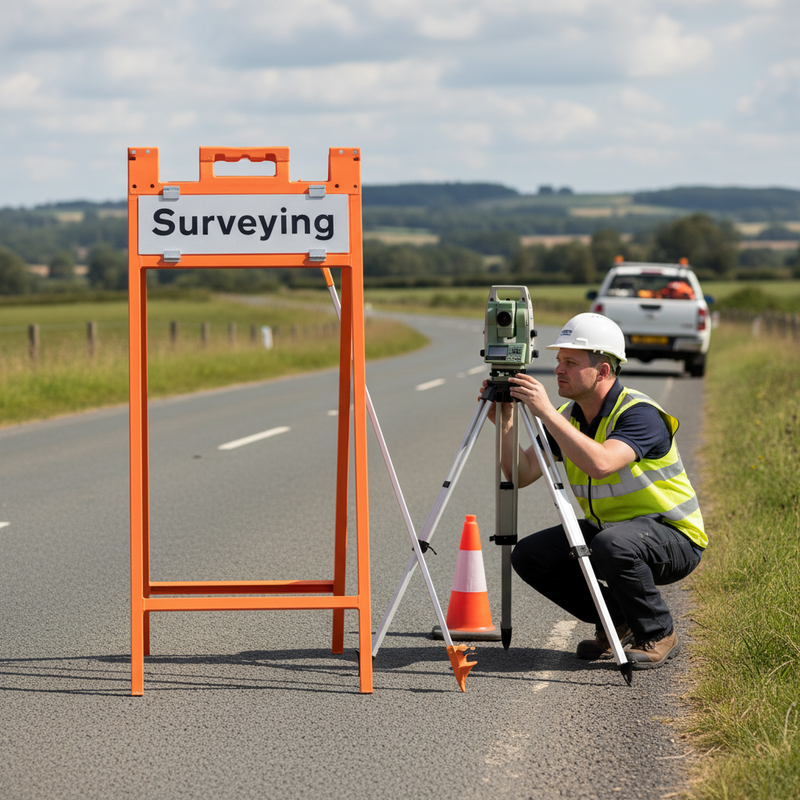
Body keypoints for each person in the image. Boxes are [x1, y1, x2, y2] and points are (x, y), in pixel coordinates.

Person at [483, 312, 706, 669]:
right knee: (529, 555)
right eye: (558, 361)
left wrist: (546, 415)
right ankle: (617, 620)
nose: (558, 369)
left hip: (673, 535)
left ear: (602, 371)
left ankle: (658, 632)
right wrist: (506, 419)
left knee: (611, 545)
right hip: (614, 532)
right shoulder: (570, 417)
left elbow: (601, 463)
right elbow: (521, 473)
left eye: (570, 362)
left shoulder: (639, 413)